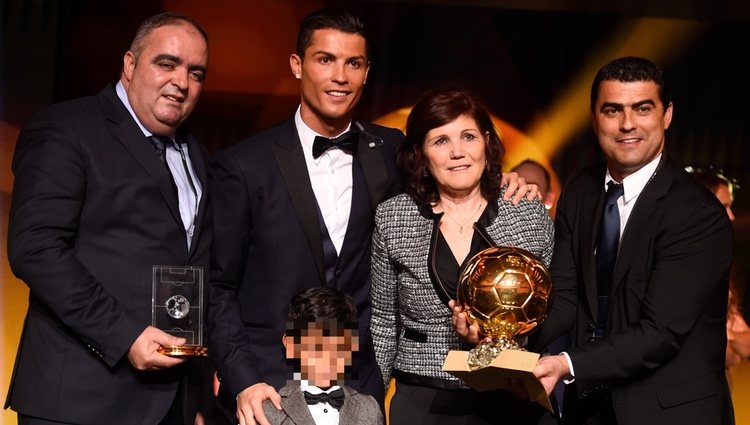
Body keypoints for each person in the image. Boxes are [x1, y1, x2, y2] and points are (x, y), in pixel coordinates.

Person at [207, 8, 536, 425]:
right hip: (268, 388)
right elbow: (218, 288)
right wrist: (243, 379)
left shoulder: (391, 150)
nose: (340, 76)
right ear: (297, 65)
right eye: (325, 59)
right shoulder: (242, 165)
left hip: (360, 391)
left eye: (354, 63)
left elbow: (450, 179)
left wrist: (501, 180)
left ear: (366, 72)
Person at [6, 12, 213, 425]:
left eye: (196, 72)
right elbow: (36, 248)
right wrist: (125, 335)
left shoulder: (198, 155)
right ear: (130, 64)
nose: (181, 81)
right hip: (80, 402)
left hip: (172, 403)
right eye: (166, 63)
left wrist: (200, 391)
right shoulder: (67, 128)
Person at [529, 56, 734, 424]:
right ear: (594, 118)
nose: (627, 124)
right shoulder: (579, 190)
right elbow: (565, 296)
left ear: (666, 115)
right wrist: (507, 334)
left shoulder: (697, 213)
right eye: (613, 110)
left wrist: (567, 363)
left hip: (670, 412)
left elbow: (661, 332)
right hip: (588, 407)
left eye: (642, 109)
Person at [369, 86, 555, 425]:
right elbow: (383, 322)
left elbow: (551, 312)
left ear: (486, 142)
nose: (457, 152)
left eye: (468, 137)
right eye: (440, 141)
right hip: (423, 400)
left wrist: (509, 336)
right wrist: (368, 408)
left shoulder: (526, 212)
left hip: (509, 394)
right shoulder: (393, 217)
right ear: (421, 154)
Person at [262, 287, 383, 425]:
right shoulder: (269, 410)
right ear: (291, 345)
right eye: (316, 347)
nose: (327, 358)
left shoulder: (369, 409)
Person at [687, 167, 750, 372]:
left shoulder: (720, 260)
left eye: (731, 207)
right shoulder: (676, 262)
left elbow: (745, 344)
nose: (731, 217)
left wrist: (728, 338)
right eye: (724, 206)